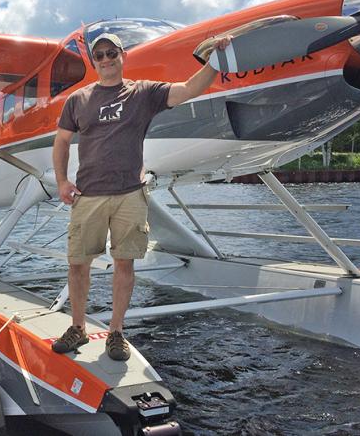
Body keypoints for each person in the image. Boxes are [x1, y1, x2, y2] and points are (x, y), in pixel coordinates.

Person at [51, 32, 231, 361]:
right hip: (87, 195)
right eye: (100, 55)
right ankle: (77, 328)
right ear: (95, 62)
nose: (106, 59)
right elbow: (62, 141)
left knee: (125, 265)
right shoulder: (78, 100)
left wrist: (216, 60)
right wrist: (62, 180)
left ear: (122, 56)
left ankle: (116, 332)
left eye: (111, 53)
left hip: (130, 196)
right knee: (78, 265)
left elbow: (189, 89)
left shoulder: (143, 92)